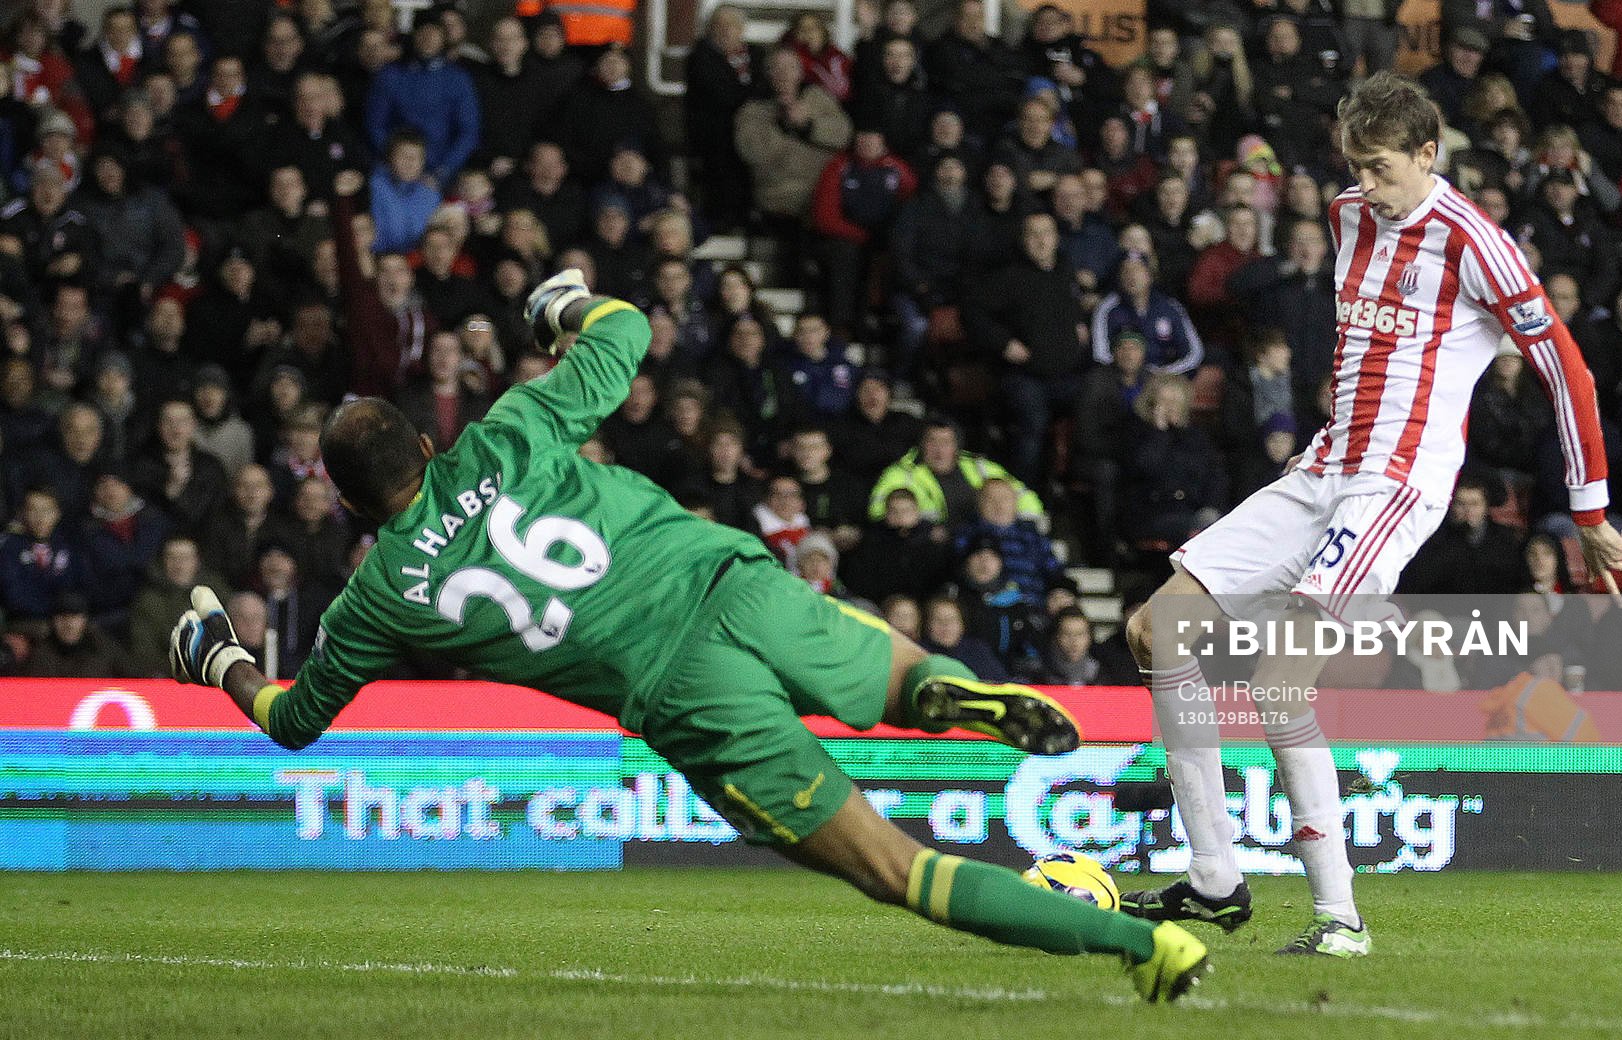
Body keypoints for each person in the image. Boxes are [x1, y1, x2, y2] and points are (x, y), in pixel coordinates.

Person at [164, 270, 1209, 1002]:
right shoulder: (509, 431)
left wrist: (217, 656)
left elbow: (293, 718)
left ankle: (1145, 944)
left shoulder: (378, 595)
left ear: (347, 506)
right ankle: (946, 690)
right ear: (431, 442)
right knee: (893, 678)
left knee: (900, 868)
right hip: (729, 576)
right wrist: (557, 305)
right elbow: (624, 330)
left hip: (682, 687)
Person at [1116, 75, 1622, 956]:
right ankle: (1213, 879)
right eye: (1355, 166)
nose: (1366, 184)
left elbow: (1567, 371)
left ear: (1429, 155)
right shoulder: (1352, 215)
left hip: (1394, 485)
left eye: (1383, 168)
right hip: (1326, 464)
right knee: (1153, 631)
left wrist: (1589, 512)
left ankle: (1340, 921)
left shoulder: (1478, 243)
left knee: (1279, 684)